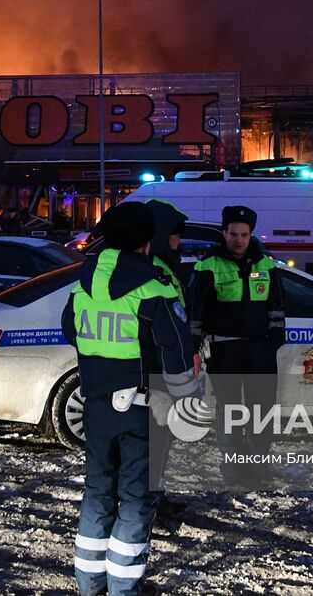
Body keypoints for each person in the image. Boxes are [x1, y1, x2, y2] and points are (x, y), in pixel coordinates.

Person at [62, 202, 197, 596]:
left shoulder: (84, 285)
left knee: (98, 492)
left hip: (96, 405)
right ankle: (124, 586)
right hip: (144, 411)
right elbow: (176, 355)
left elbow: (72, 330)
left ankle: (90, 585)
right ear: (145, 244)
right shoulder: (155, 288)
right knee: (136, 499)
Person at [189, 205, 286, 481]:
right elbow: (196, 310)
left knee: (261, 409)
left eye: (244, 234)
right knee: (230, 410)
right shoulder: (208, 264)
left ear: (251, 234)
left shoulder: (266, 264)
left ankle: (258, 463)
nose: (239, 240)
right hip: (224, 349)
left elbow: (278, 304)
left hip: (260, 350)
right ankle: (232, 464)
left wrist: (274, 340)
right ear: (224, 233)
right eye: (233, 234)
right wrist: (195, 347)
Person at [142, 197, 196, 527]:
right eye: (175, 235)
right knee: (156, 441)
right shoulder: (156, 272)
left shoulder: (165, 267)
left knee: (160, 443)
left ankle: (155, 499)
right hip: (157, 373)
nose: (180, 241)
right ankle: (149, 507)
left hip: (163, 369)